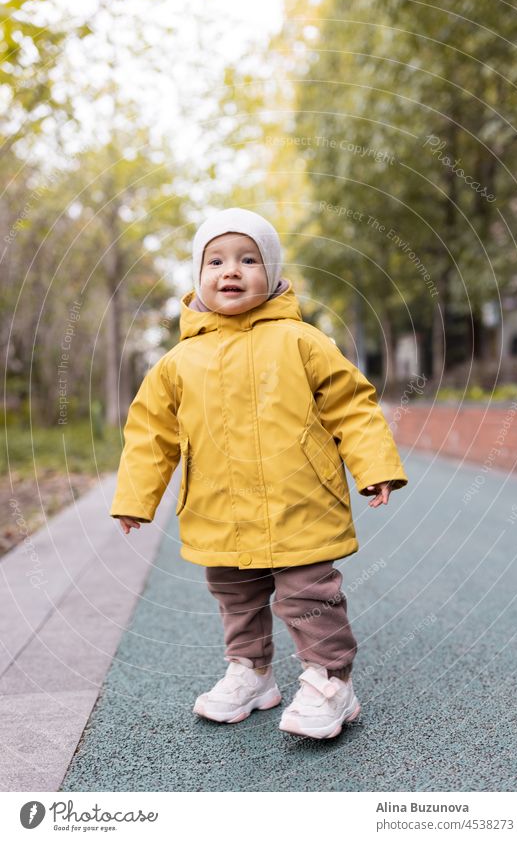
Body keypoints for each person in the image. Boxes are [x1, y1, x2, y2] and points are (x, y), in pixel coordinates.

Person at [110, 207, 408, 739]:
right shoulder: (178, 363)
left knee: (308, 594)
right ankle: (252, 672)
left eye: (248, 260)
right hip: (218, 509)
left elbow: (352, 405)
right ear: (198, 276)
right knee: (235, 594)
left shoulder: (303, 341)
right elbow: (151, 434)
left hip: (301, 502)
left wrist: (375, 465)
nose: (231, 271)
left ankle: (330, 681)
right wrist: (136, 496)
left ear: (270, 274)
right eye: (217, 261)